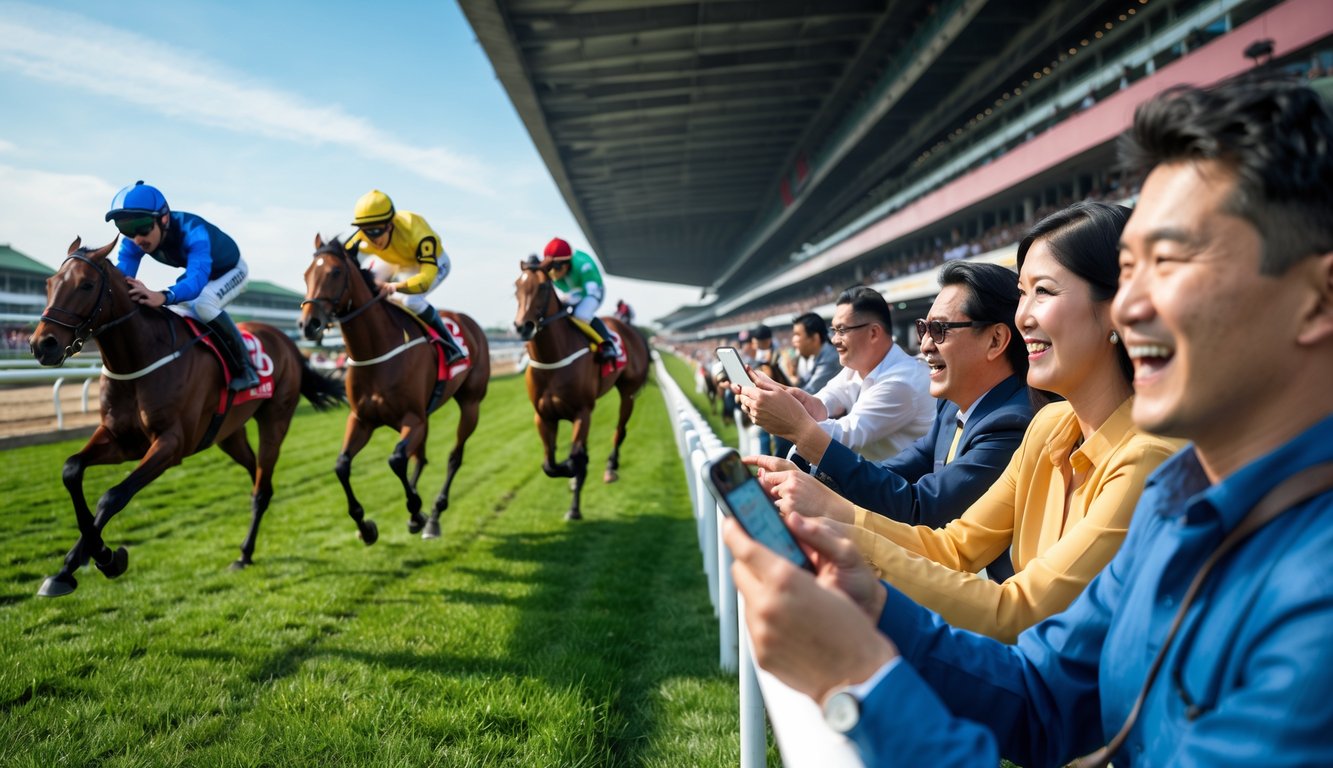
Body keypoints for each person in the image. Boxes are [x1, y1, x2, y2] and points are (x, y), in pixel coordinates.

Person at [725, 76, 1333, 766]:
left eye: (1169, 262)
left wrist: (858, 680)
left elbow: (1013, 619)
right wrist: (871, 606)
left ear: (1318, 298)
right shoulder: (1177, 497)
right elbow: (1041, 694)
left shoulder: (1301, 585)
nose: (1130, 306)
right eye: (1128, 270)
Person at [745, 203, 1179, 641]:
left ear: (1121, 309)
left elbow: (1018, 611)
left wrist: (839, 530)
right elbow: (953, 548)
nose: (1022, 316)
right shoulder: (1049, 425)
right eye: (1022, 293)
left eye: (1044, 292)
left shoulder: (1146, 461)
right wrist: (826, 509)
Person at [748, 261, 1033, 581]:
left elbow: (922, 509)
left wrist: (801, 432)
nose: (925, 345)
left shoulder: (1012, 423)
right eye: (924, 329)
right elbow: (895, 472)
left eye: (940, 330)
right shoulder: (951, 406)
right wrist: (812, 482)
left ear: (995, 340)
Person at [736, 285, 932, 463]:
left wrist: (786, 418)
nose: (834, 340)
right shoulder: (855, 368)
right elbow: (822, 402)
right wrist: (778, 393)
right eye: (834, 330)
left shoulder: (901, 382)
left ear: (873, 333)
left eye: (842, 330)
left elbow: (845, 435)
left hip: (904, 487)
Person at [105, 180, 259, 391]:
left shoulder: (193, 231)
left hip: (231, 270)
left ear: (164, 218)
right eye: (126, 229)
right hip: (203, 272)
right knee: (178, 310)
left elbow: (196, 279)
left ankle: (246, 368)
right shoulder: (133, 242)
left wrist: (163, 295)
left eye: (142, 227)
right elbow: (120, 280)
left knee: (203, 304)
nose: (137, 238)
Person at [346, 189, 464, 364]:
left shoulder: (418, 232)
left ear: (390, 225)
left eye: (376, 231)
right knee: (366, 285)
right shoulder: (361, 237)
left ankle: (450, 344)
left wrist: (394, 287)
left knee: (410, 301)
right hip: (395, 260)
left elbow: (425, 281)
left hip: (431, 264)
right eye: (366, 231)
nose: (372, 239)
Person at [540, 237, 616, 362]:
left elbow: (589, 292)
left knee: (581, 313)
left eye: (556, 268)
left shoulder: (584, 264)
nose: (552, 273)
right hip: (573, 293)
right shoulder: (557, 270)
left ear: (567, 263)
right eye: (550, 268)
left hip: (593, 291)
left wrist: (570, 300)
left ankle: (608, 342)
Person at [790, 312, 841, 395]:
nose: (794, 340)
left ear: (815, 338)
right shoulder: (821, 355)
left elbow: (810, 392)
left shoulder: (829, 359)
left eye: (797, 335)